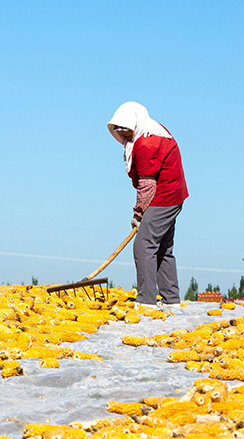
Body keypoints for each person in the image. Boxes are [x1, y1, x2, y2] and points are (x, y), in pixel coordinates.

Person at [107, 102, 188, 308]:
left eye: (125, 129)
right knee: (163, 247)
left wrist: (139, 213)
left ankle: (146, 299)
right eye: (118, 129)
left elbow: (147, 185)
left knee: (144, 244)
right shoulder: (154, 131)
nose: (122, 134)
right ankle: (171, 298)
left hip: (163, 197)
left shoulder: (146, 144)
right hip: (174, 195)